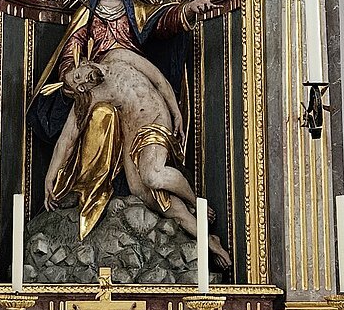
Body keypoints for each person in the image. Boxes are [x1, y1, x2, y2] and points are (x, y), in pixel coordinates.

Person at [46, 52, 230, 267]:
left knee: (152, 176)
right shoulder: (92, 97)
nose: (84, 83)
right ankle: (207, 238)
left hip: (154, 119)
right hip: (132, 136)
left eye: (78, 76)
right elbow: (66, 140)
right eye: (80, 88)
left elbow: (158, 79)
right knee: (142, 192)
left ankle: (194, 202)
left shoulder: (117, 56)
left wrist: (176, 112)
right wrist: (50, 176)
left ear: (84, 63)